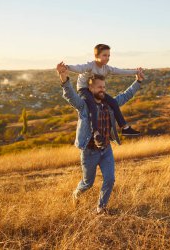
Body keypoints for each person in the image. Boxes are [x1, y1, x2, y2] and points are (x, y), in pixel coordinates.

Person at [57, 62, 144, 214]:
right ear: (90, 88)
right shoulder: (84, 106)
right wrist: (64, 78)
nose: (103, 90)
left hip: (106, 149)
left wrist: (138, 81)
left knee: (110, 179)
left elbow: (126, 95)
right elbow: (71, 96)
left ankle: (100, 208)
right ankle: (76, 194)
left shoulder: (109, 104)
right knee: (87, 183)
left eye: (104, 87)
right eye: (99, 87)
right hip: (89, 151)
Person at [64, 44, 141, 148]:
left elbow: (120, 71)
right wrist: (67, 67)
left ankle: (125, 128)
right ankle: (96, 133)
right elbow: (79, 68)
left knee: (113, 102)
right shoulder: (90, 65)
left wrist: (136, 72)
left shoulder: (106, 68)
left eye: (109, 55)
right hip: (84, 89)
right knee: (92, 105)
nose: (107, 58)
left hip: (96, 90)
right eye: (104, 55)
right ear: (96, 56)